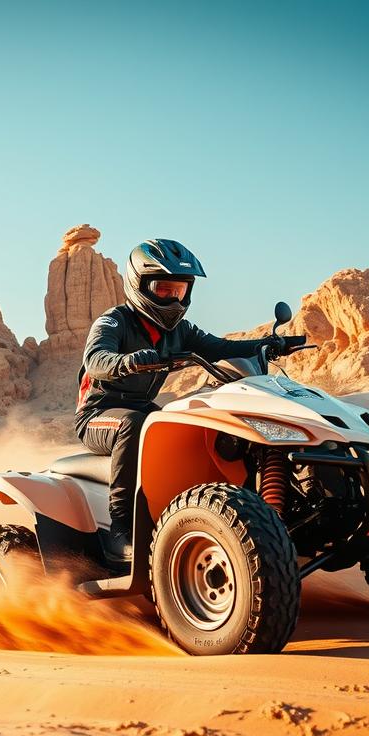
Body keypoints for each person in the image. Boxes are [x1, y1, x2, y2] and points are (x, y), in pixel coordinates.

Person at [75, 239, 277, 564]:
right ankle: (119, 529)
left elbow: (222, 348)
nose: (173, 298)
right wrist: (126, 362)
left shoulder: (179, 331)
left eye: (180, 291)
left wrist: (270, 343)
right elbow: (96, 359)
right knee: (133, 425)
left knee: (185, 428)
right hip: (98, 415)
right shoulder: (114, 321)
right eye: (164, 289)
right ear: (140, 285)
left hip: (143, 410)